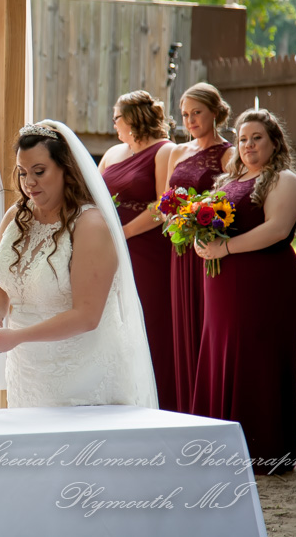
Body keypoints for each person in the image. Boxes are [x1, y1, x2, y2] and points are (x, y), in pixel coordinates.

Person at [0, 120, 157, 409]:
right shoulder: (17, 216)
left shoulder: (89, 225)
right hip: (27, 371)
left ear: (66, 169)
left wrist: (17, 337)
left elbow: (87, 316)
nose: (29, 183)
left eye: (39, 172)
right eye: (23, 172)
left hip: (81, 375)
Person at [193, 109, 296, 474]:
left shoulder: (284, 181)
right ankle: (220, 440)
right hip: (223, 285)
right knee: (221, 353)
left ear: (274, 142)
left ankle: (263, 445)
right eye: (242, 139)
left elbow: (275, 229)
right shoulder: (230, 179)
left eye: (257, 137)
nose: (248, 145)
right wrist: (199, 236)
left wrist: (223, 249)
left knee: (256, 357)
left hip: (265, 283)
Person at [99, 90, 177, 411]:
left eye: (116, 117)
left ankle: (158, 399)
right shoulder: (114, 153)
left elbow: (164, 204)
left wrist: (124, 233)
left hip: (147, 249)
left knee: (149, 319)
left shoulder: (165, 151)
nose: (113, 123)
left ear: (131, 119)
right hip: (109, 249)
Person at [165, 83, 234, 413]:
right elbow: (166, 201)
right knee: (181, 322)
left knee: (205, 322)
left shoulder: (229, 154)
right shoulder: (177, 152)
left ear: (215, 113)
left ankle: (207, 404)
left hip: (207, 249)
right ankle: (185, 404)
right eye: (185, 115)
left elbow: (231, 199)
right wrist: (173, 215)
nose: (190, 120)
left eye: (197, 113)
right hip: (179, 251)